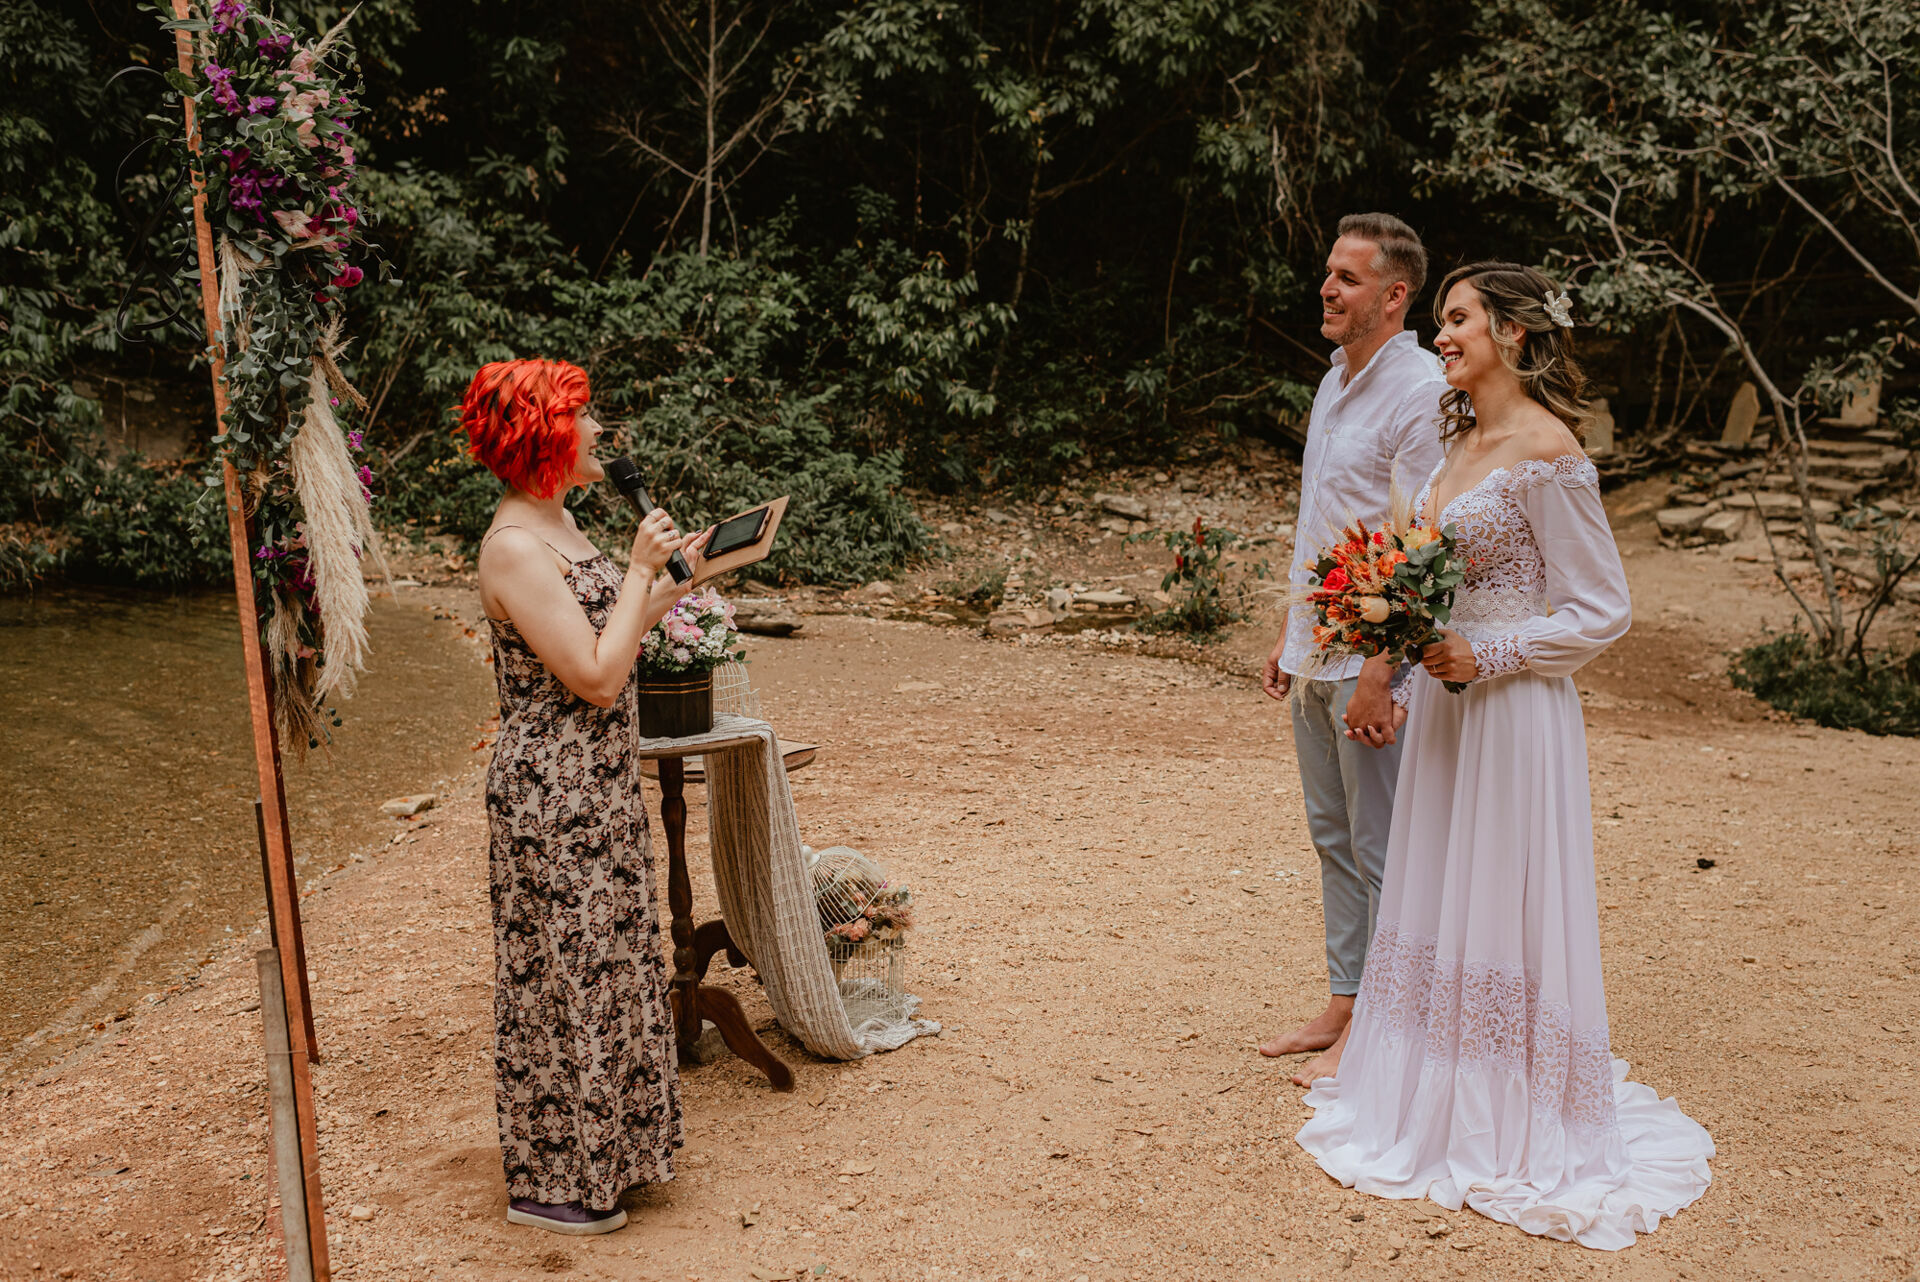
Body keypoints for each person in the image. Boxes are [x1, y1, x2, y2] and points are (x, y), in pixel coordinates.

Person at [1293, 264, 1714, 1248]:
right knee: (1441, 886)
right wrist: (1403, 649)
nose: (1444, 335)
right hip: (1447, 706)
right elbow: (1432, 575)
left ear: (1512, 334)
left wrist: (1490, 652)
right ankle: (1432, 1093)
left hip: (1516, 709)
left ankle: (1509, 1109)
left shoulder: (1549, 451)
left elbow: (1602, 607)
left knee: (1504, 893)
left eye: (1459, 318)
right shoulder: (1455, 441)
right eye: (1440, 319)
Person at [466, 357, 708, 1236]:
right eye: (582, 417)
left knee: (614, 965)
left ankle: (621, 1157)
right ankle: (554, 1182)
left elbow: (616, 628)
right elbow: (598, 678)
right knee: (563, 976)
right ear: (544, 436)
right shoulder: (513, 548)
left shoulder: (563, 521)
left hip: (598, 782)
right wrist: (640, 571)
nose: (599, 429)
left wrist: (681, 574)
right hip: (551, 791)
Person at [1260, 213, 1447, 1084]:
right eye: (1328, 273)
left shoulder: (1420, 393)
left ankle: (1388, 1032)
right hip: (1315, 651)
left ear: (1394, 294)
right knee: (1332, 835)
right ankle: (1346, 999)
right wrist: (1290, 636)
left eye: (1347, 277)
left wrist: (1383, 676)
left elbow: (1420, 546)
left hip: (1374, 664)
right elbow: (1322, 524)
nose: (1327, 289)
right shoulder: (1334, 380)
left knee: (1382, 845)